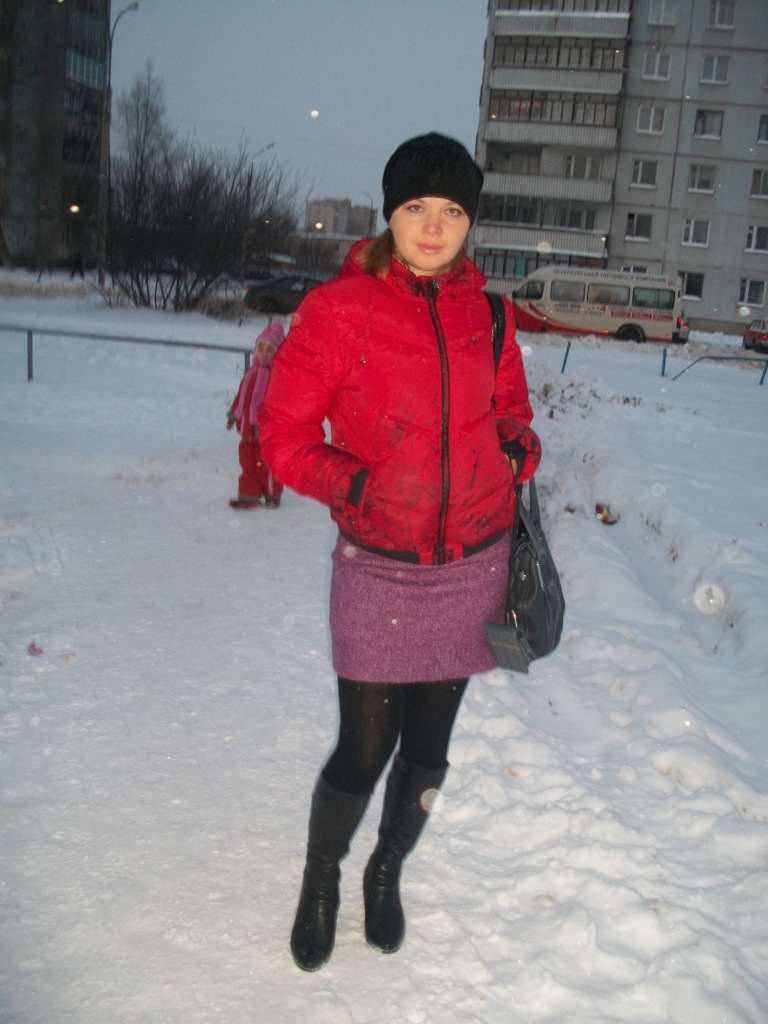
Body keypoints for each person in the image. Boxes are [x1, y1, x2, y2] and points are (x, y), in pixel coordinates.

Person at [259, 132, 542, 971]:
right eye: (417, 206)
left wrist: (514, 454)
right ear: (392, 213)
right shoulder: (339, 310)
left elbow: (512, 413)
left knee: (428, 749)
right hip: (380, 563)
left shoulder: (490, 316)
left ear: (470, 222)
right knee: (363, 748)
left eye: (452, 210)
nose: (434, 226)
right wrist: (352, 484)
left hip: (472, 563)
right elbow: (282, 435)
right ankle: (321, 878)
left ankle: (386, 870)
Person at [226, 321, 285, 509]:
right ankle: (249, 495)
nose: (264, 354)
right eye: (261, 348)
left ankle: (272, 495)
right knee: (247, 461)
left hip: (266, 431)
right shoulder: (251, 374)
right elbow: (240, 397)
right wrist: (233, 416)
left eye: (270, 350)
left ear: (277, 353)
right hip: (247, 430)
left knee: (265, 463)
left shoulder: (278, 377)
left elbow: (282, 404)